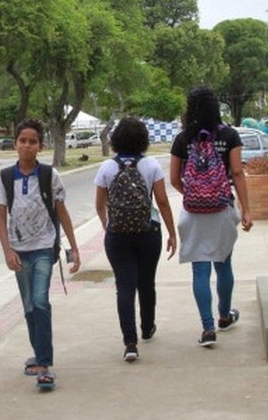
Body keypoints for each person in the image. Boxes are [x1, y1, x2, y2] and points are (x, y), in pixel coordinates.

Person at [0, 118, 81, 390]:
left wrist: (74, 247)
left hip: (44, 247)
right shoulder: (6, 177)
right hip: (19, 252)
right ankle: (39, 352)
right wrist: (7, 250)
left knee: (41, 301)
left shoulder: (49, 175)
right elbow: (0, 217)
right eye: (23, 141)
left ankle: (44, 364)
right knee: (29, 306)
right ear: (16, 144)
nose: (27, 146)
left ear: (40, 146)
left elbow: (62, 212)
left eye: (33, 142)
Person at [169, 87, 253, 348]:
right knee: (224, 265)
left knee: (200, 269)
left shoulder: (183, 139)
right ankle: (225, 315)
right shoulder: (229, 135)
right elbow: (237, 173)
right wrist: (245, 209)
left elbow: (174, 178)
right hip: (221, 210)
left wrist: (194, 194)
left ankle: (207, 329)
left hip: (193, 214)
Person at [94, 117, 177, 362]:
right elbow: (161, 201)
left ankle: (130, 343)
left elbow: (99, 205)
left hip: (118, 235)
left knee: (124, 286)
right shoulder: (151, 165)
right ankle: (147, 327)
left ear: (116, 139)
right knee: (146, 282)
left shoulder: (107, 168)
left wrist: (107, 226)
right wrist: (172, 232)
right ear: (143, 139)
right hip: (148, 232)